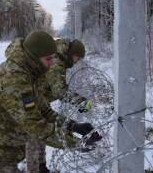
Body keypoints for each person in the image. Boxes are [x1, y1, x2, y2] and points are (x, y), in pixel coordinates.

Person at [0, 31, 101, 173]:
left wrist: (73, 126)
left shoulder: (31, 74)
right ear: (34, 57)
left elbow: (44, 111)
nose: (51, 64)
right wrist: (74, 142)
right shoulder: (13, 78)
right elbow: (35, 125)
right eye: (48, 59)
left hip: (5, 149)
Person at [26, 38, 99, 173]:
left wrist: (75, 125)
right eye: (77, 58)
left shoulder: (59, 59)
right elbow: (59, 90)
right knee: (35, 136)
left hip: (40, 100)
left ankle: (41, 167)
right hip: (31, 102)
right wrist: (80, 102)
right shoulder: (56, 62)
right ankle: (34, 169)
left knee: (41, 134)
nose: (76, 62)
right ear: (71, 53)